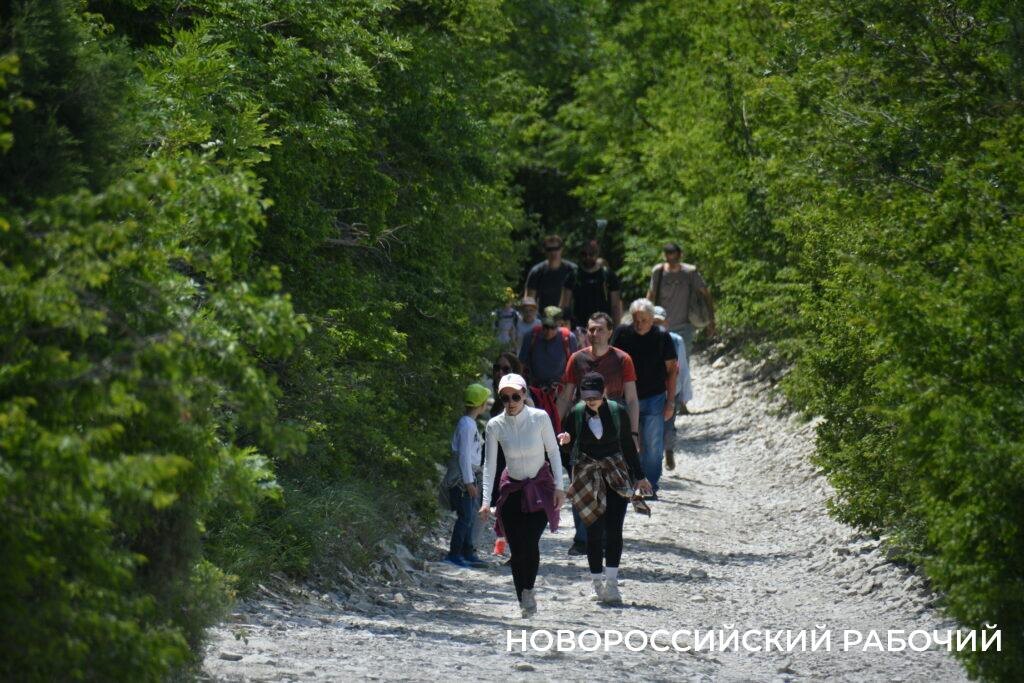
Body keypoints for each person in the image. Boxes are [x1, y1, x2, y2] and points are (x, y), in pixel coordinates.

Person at [481, 373, 567, 618]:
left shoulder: (540, 418)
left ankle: (528, 588)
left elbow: (553, 451)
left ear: (525, 394)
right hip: (512, 491)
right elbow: (490, 464)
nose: (510, 401)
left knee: (530, 543)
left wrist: (560, 487)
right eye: (505, 397)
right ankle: (524, 597)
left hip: (540, 488)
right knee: (517, 551)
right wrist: (486, 501)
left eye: (515, 396)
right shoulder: (495, 425)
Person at [562, 372, 653, 603]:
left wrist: (640, 477)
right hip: (588, 477)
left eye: (595, 395)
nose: (591, 400)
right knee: (593, 530)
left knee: (614, 529)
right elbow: (566, 450)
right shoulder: (576, 414)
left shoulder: (618, 412)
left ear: (604, 392)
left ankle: (612, 584)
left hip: (615, 474)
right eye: (586, 396)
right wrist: (572, 469)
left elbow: (628, 448)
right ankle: (597, 584)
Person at [556, 311, 640, 555]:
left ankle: (604, 536)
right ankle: (583, 538)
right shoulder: (577, 359)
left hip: (614, 422)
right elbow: (566, 396)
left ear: (610, 332)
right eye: (591, 329)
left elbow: (632, 399)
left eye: (599, 329)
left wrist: (633, 434)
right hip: (582, 425)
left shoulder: (623, 360)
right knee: (580, 477)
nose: (594, 334)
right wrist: (553, 427)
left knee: (610, 479)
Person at [611, 299, 677, 499]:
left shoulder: (662, 337)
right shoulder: (622, 333)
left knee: (652, 443)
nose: (640, 324)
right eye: (637, 320)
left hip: (654, 396)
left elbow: (672, 370)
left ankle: (649, 485)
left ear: (652, 320)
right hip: (626, 396)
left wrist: (671, 401)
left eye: (645, 320)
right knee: (627, 441)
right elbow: (612, 362)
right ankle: (631, 481)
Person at [444, 383, 491, 568]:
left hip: (469, 476)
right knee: (465, 517)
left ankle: (467, 552)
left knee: (470, 515)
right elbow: (463, 455)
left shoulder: (469, 423)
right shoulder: (466, 425)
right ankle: (454, 554)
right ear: (480, 404)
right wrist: (469, 482)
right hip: (463, 479)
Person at [646, 242, 717, 356]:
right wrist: (645, 319)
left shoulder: (690, 272)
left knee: (683, 361)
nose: (672, 262)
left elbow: (706, 294)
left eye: (675, 258)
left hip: (685, 326)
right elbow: (651, 295)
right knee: (665, 363)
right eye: (669, 258)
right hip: (662, 325)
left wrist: (711, 320)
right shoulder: (658, 272)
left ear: (680, 256)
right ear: (665, 257)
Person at [654, 306, 692, 472]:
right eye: (654, 322)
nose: (657, 326)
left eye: (659, 322)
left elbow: (683, 367)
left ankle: (668, 450)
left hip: (672, 390)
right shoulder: (642, 340)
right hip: (650, 390)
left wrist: (685, 393)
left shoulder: (676, 340)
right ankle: (654, 458)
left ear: (666, 323)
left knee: (668, 425)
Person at [560, 239, 623, 332]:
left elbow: (615, 306)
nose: (588, 257)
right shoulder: (573, 276)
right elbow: (564, 305)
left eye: (591, 254)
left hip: (603, 328)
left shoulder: (608, 275)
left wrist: (616, 330)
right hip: (579, 328)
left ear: (597, 254)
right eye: (584, 254)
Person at [525, 234, 577, 311]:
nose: (553, 252)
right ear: (544, 251)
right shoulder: (536, 271)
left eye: (556, 248)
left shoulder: (573, 270)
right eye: (549, 249)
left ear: (562, 249)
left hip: (569, 318)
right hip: (543, 317)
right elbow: (529, 300)